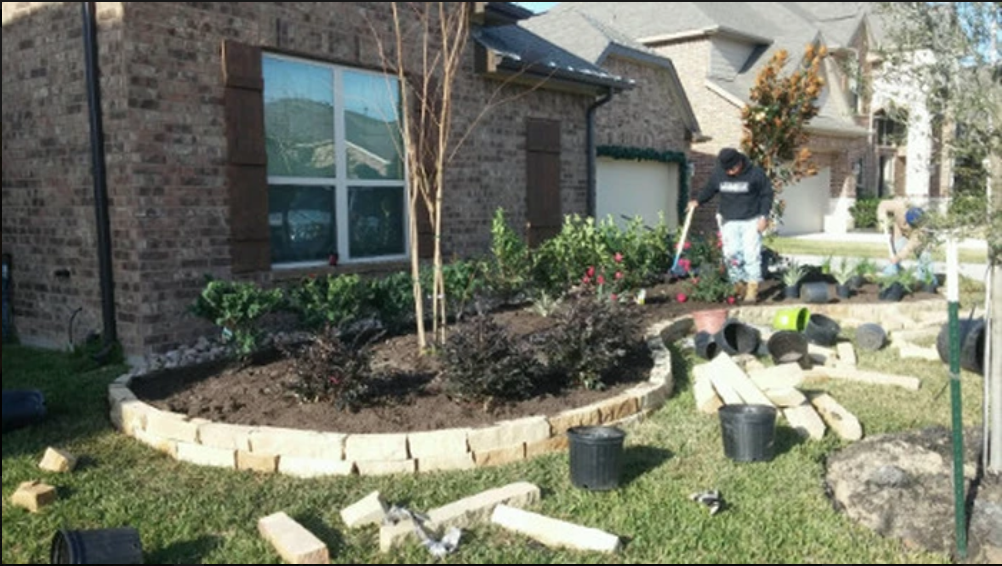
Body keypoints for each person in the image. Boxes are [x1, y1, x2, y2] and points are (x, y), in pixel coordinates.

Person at [687, 147, 773, 303]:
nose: (730, 172)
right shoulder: (719, 173)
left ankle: (752, 289)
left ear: (739, 162)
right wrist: (698, 200)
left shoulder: (755, 174)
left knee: (751, 254)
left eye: (733, 169)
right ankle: (737, 285)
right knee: (731, 254)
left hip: (751, 220)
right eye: (727, 170)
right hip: (728, 220)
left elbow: (766, 195)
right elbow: (709, 189)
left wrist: (763, 217)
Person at [876, 197, 931, 277]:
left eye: (909, 224)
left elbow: (908, 249)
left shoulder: (921, 231)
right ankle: (894, 272)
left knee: (925, 257)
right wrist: (882, 218)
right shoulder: (899, 206)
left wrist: (897, 258)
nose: (906, 225)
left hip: (919, 240)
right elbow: (883, 205)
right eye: (905, 221)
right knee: (897, 250)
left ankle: (926, 279)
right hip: (899, 233)